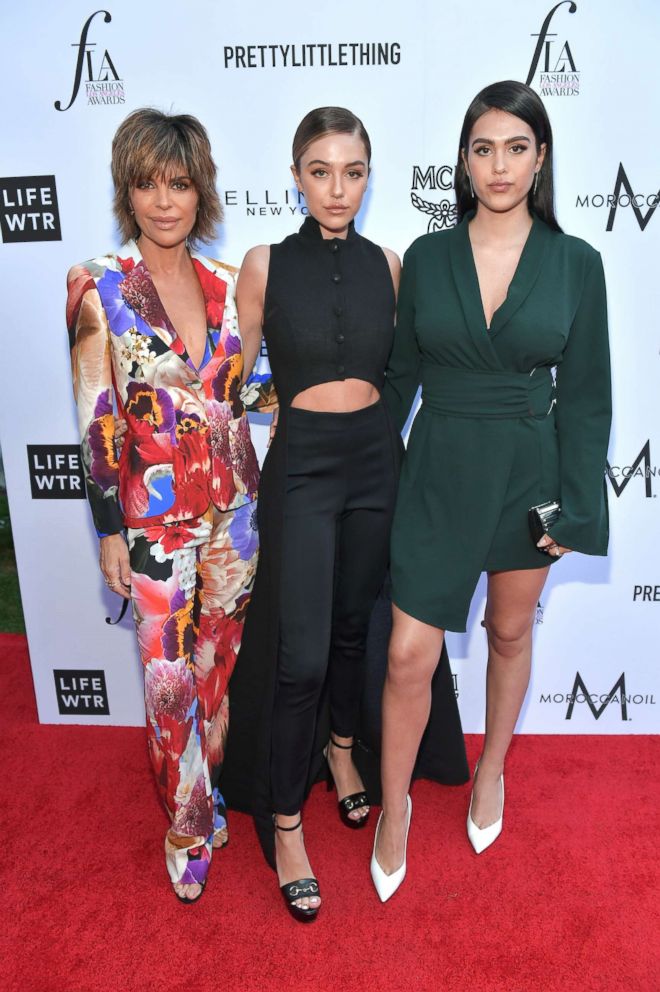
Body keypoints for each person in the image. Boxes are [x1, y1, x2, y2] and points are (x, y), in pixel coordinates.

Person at [221, 106, 467, 921]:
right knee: (299, 655)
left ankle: (343, 748)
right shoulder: (260, 265)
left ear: (369, 176)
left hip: (375, 462)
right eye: (321, 171)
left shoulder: (391, 265)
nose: (337, 188)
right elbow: (230, 386)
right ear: (295, 175)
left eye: (353, 172)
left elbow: (406, 375)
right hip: (301, 467)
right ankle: (285, 822)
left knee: (358, 630)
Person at [371, 80, 611, 902]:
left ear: (540, 158)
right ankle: (394, 805)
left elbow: (586, 396)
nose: (499, 164)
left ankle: (492, 769)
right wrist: (353, 469)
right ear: (464, 161)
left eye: (516, 147)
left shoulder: (578, 263)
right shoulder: (428, 255)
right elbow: (401, 378)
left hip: (528, 473)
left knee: (510, 634)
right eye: (483, 148)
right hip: (438, 469)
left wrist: (578, 506)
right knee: (409, 653)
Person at [67, 108, 265, 904]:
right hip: (151, 521)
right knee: (165, 677)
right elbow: (95, 410)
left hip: (236, 515)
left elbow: (251, 393)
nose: (163, 200)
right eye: (146, 183)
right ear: (128, 190)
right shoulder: (99, 283)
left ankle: (206, 788)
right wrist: (109, 529)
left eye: (178, 183)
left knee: (219, 666)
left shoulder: (229, 284)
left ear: (200, 191)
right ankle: (185, 825)